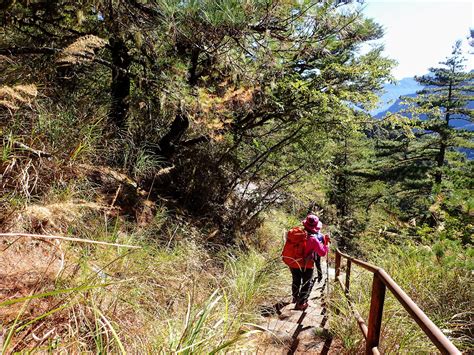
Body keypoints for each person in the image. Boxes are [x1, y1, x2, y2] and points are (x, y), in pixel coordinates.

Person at [289, 214, 330, 311]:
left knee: (296, 280)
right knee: (306, 283)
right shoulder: (313, 239)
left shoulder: (296, 234)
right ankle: (301, 303)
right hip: (307, 265)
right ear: (316, 227)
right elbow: (323, 253)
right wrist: (326, 243)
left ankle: (295, 298)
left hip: (294, 262)